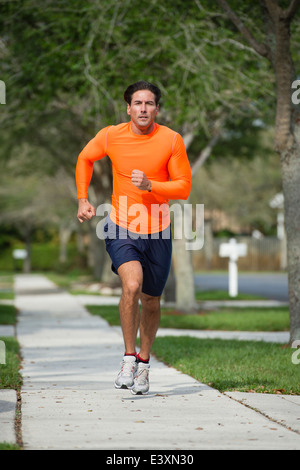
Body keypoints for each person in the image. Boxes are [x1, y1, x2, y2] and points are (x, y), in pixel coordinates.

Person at [76, 80, 191, 394]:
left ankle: (144, 362)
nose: (143, 109)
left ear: (156, 108)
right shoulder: (111, 135)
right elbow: (85, 158)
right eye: (138, 103)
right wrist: (82, 198)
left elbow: (183, 187)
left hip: (157, 230)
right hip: (120, 225)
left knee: (152, 300)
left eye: (149, 103)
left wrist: (151, 185)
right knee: (132, 284)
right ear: (128, 107)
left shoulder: (171, 140)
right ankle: (129, 357)